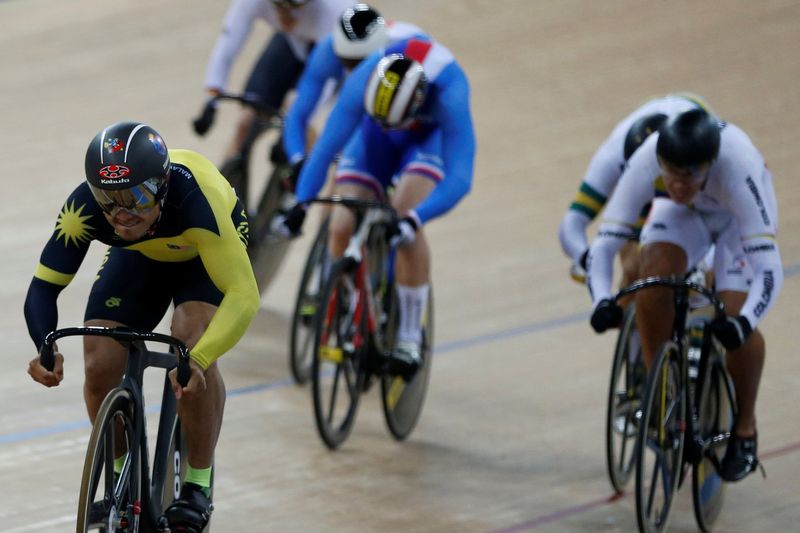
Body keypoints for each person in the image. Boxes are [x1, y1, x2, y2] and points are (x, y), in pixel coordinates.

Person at [24, 122, 260, 530]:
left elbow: (245, 296)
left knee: (189, 342)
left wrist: (200, 359)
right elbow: (43, 288)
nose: (121, 213)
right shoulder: (86, 210)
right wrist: (45, 346)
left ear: (161, 184)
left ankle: (196, 487)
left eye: (134, 196)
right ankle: (120, 476)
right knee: (100, 361)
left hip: (203, 253)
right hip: (142, 256)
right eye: (107, 199)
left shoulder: (193, 201)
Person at [587, 108, 782, 482]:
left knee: (732, 312)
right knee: (653, 278)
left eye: (689, 175)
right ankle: (658, 389)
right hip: (685, 216)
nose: (676, 184)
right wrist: (600, 301)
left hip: (737, 222)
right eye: (670, 174)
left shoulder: (738, 167)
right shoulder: (648, 161)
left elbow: (769, 270)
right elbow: (605, 243)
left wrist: (745, 323)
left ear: (710, 164)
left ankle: (745, 430)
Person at [275, 37, 476, 368]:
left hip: (425, 141)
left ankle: (410, 337)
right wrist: (302, 205)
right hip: (373, 138)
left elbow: (460, 179)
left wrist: (416, 218)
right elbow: (326, 148)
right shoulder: (364, 79)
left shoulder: (450, 93)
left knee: (405, 217)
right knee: (341, 223)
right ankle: (348, 302)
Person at [559, 93, 715, 286]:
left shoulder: (693, 157)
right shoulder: (611, 157)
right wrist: (585, 257)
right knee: (634, 268)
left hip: (687, 156)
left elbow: (725, 224)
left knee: (708, 274)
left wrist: (702, 263)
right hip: (651, 173)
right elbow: (573, 221)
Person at [282, 3, 425, 185]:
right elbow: (298, 114)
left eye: (361, 62)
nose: (359, 71)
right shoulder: (328, 51)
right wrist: (298, 159)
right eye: (349, 62)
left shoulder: (408, 51)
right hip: (356, 93)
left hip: (394, 89)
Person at [202, 0, 353, 162]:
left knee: (298, 114)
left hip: (330, 54)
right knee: (245, 121)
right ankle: (226, 178)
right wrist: (212, 99)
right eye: (278, 6)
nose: (286, 15)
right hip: (290, 41)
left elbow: (326, 80)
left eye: (294, 8)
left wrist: (294, 129)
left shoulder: (337, 10)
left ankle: (301, 173)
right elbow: (228, 43)